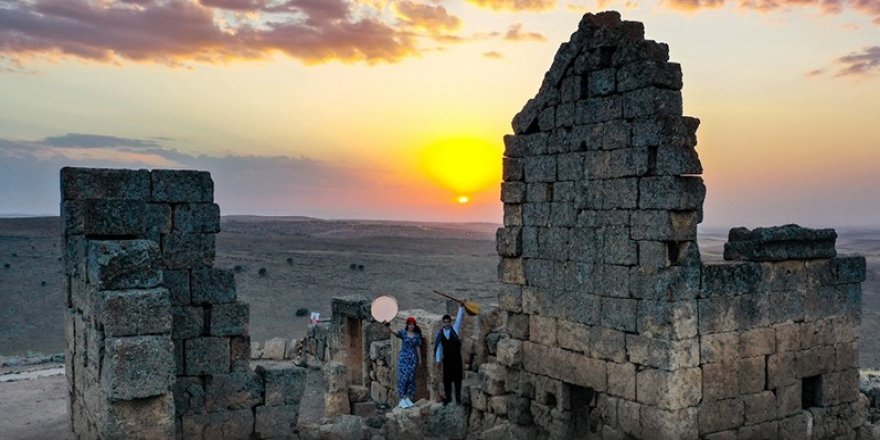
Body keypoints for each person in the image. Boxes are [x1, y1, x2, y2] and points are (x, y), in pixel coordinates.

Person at [384, 316, 422, 409]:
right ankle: (402, 397)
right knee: (403, 377)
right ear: (407, 325)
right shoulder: (403, 333)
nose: (411, 326)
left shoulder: (416, 335)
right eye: (410, 324)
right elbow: (392, 332)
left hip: (412, 359)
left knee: (410, 378)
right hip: (403, 358)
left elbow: (417, 348)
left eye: (413, 324)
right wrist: (387, 324)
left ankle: (408, 397)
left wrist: (419, 359)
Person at [434, 304, 465, 405]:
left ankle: (458, 398)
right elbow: (439, 348)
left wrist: (461, 307)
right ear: (443, 323)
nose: (446, 323)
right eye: (445, 322)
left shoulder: (454, 330)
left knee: (457, 379)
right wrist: (438, 360)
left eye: (448, 322)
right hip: (447, 360)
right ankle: (448, 398)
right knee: (447, 380)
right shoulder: (440, 334)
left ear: (450, 322)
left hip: (456, 359)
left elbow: (459, 319)